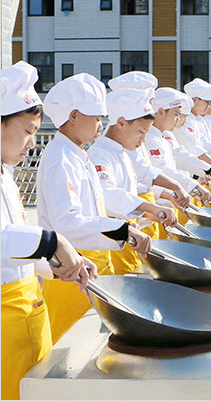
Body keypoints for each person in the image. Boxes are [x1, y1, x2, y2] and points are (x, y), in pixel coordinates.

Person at [1, 61, 97, 400]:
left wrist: (53, 267)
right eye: (28, 131)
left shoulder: (6, 176)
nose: (32, 143)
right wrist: (52, 242)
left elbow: (13, 252)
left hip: (26, 313)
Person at [36, 73, 152, 343]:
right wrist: (122, 231)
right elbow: (67, 222)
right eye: (98, 118)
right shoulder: (60, 158)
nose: (101, 126)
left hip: (88, 266)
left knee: (87, 344)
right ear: (74, 116)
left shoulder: (76, 154)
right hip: (70, 272)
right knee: (67, 345)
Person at [87, 88, 183, 274]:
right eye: (141, 132)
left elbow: (130, 191)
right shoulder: (99, 155)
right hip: (114, 247)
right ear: (121, 123)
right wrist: (150, 207)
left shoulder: (122, 153)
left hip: (129, 242)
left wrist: (148, 213)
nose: (143, 140)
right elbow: (107, 195)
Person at [175, 78, 211, 179]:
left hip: (192, 173)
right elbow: (193, 148)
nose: (210, 107)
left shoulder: (197, 120)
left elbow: (203, 143)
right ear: (195, 100)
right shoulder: (185, 121)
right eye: (207, 103)